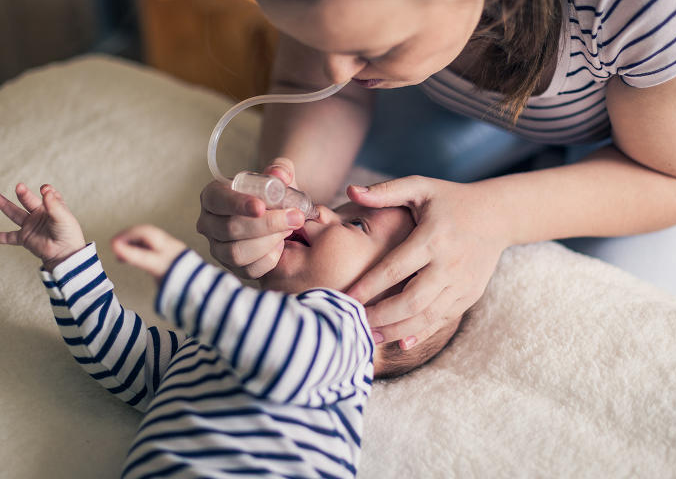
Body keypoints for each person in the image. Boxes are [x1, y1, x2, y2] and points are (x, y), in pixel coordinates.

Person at [197, 0, 676, 351]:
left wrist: (496, 215)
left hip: (663, 153)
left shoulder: (653, 11)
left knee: (622, 322)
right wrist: (283, 197)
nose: (334, 72)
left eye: (372, 50)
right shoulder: (352, 32)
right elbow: (321, 87)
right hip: (453, 105)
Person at [0, 183, 461, 478]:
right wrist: (69, 262)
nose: (322, 210)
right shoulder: (217, 341)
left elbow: (281, 350)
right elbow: (127, 361)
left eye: (356, 224)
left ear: (398, 310)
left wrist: (190, 281)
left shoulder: (345, 336)